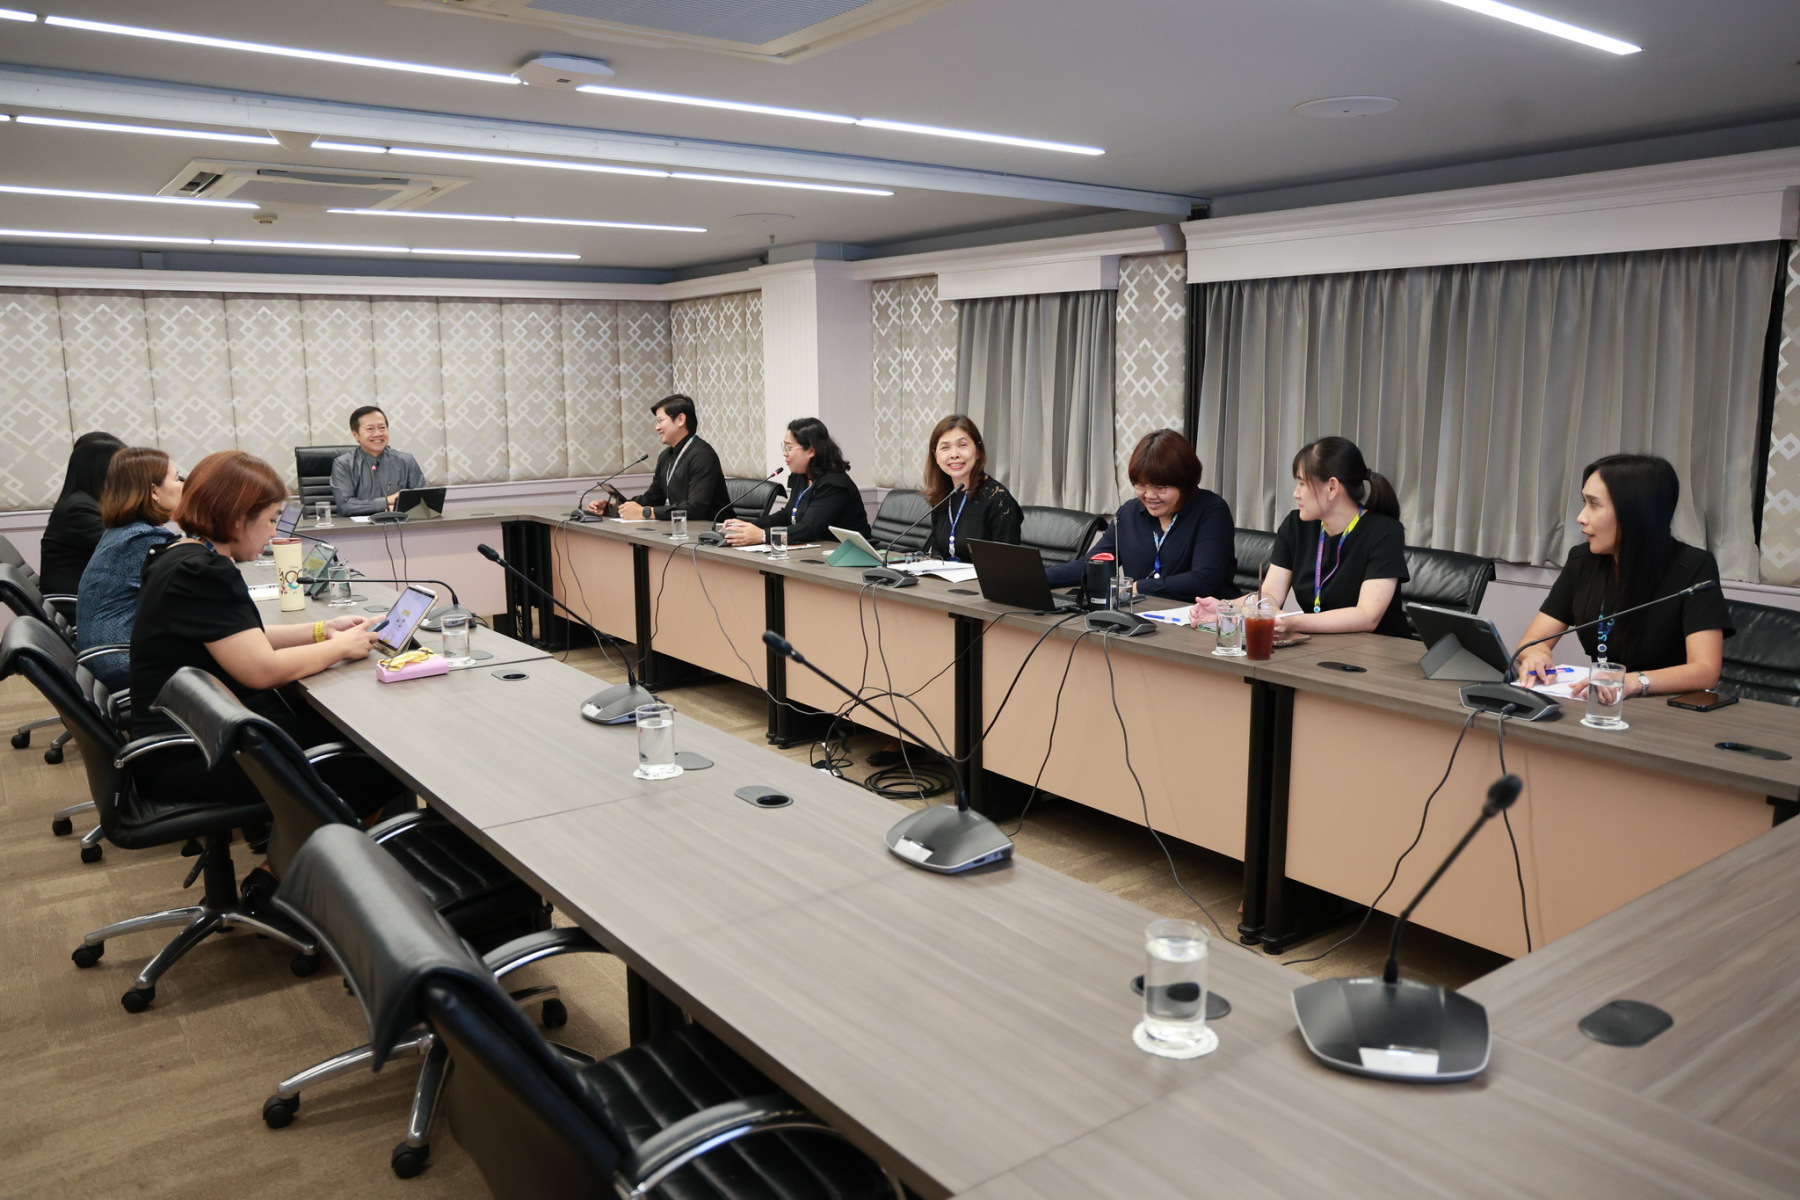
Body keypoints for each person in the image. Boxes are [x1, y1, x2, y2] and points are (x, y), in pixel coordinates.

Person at [129, 451, 402, 824]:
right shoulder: (201, 573)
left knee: (345, 729)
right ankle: (308, 858)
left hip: (197, 734)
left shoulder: (180, 555)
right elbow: (261, 669)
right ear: (239, 518)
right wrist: (340, 647)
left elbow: (239, 637)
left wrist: (322, 630)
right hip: (193, 754)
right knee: (383, 758)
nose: (275, 532)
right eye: (272, 519)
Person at [1515, 454, 1731, 698]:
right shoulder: (1582, 560)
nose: (1581, 517)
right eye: (1584, 503)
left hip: (1666, 706)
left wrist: (1632, 682)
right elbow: (1533, 640)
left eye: (1594, 504)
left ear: (1633, 512)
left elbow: (1705, 671)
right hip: (1601, 702)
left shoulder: (1693, 567)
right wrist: (1536, 655)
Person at [1199, 436, 1410, 638]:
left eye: (1302, 483)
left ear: (1332, 487)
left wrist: (1293, 622)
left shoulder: (1384, 531)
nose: (1296, 493)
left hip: (1379, 651)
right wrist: (1227, 607)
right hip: (1321, 646)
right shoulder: (1296, 526)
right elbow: (1271, 595)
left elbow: (1367, 616)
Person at [1046, 429, 1235, 602]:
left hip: (1200, 619)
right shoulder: (1129, 514)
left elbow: (1203, 580)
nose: (1149, 495)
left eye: (1160, 487)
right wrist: (1040, 577)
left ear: (1187, 482)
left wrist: (1137, 587)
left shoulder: (1211, 511)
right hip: (1144, 614)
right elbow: (1092, 565)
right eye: (1141, 485)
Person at [74, 447, 182, 690]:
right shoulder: (144, 538)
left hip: (108, 657)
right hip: (123, 665)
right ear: (154, 491)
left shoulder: (125, 531)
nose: (182, 486)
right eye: (177, 479)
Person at [720, 417, 871, 546]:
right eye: (784, 447)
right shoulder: (802, 476)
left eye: (789, 447)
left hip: (848, 554)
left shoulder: (833, 484)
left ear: (811, 450)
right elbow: (787, 515)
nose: (785, 453)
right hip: (817, 551)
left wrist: (763, 535)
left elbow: (809, 529)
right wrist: (749, 526)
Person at [586, 394, 727, 523]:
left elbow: (695, 508)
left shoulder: (702, 455)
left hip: (711, 531)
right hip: (682, 528)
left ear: (680, 420)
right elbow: (653, 498)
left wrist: (645, 512)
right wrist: (615, 508)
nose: (657, 427)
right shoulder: (666, 456)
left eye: (660, 421)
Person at [921, 415, 1022, 561]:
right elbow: (937, 548)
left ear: (978, 451)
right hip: (945, 575)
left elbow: (1007, 562)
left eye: (962, 445)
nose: (954, 454)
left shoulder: (998, 499)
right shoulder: (944, 495)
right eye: (945, 447)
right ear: (935, 456)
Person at [39, 432, 124, 598]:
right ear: (101, 469)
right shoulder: (78, 508)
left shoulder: (84, 501)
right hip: (77, 602)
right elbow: (123, 549)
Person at [330, 405, 427, 516]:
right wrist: (387, 501)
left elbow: (423, 501)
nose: (378, 434)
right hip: (358, 526)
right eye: (370, 429)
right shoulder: (343, 465)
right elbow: (345, 507)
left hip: (399, 524)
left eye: (382, 427)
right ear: (356, 435)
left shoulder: (406, 461)